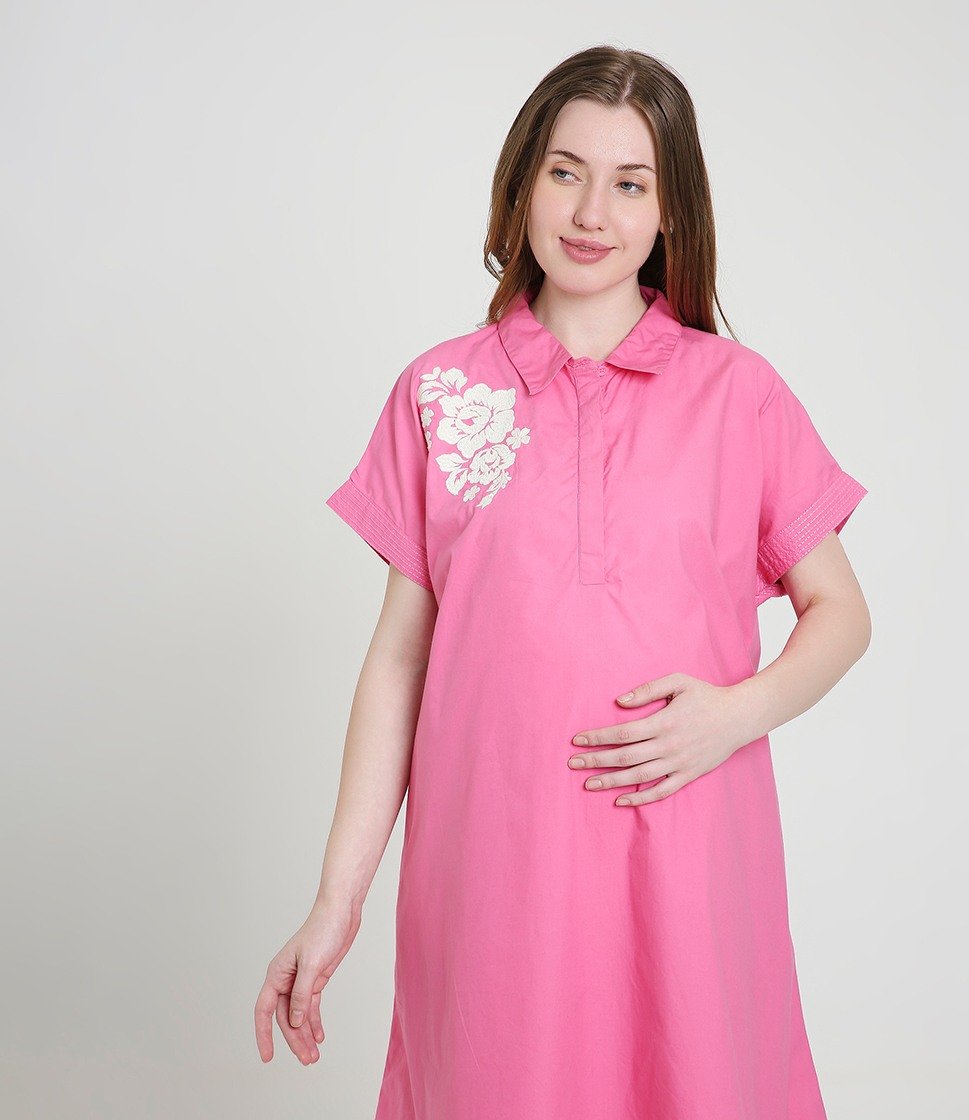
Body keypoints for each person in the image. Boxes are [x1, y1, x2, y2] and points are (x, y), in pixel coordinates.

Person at [255, 44, 871, 1120]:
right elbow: (399, 664)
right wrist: (336, 901)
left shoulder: (740, 395)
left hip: (685, 848)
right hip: (495, 865)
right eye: (565, 172)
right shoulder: (440, 393)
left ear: (670, 210)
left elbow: (842, 613)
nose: (591, 212)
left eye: (630, 183)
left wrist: (733, 715)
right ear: (522, 182)